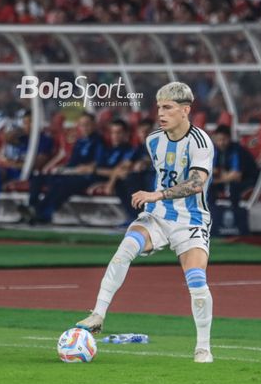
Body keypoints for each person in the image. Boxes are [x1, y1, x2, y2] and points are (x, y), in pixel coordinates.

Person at [76, 82, 215, 363]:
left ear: (185, 110)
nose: (160, 113)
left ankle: (203, 347)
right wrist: (156, 199)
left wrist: (158, 194)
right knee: (125, 248)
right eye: (158, 107)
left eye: (168, 108)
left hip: (191, 221)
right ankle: (98, 314)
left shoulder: (200, 142)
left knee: (197, 279)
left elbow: (198, 183)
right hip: (157, 216)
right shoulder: (154, 140)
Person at [27, 111, 104, 224]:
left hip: (86, 177)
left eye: (87, 124)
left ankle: (41, 213)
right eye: (82, 125)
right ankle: (32, 206)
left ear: (93, 125)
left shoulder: (98, 141)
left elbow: (99, 163)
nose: (85, 128)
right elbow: (73, 162)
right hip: (71, 173)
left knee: (62, 184)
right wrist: (63, 168)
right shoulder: (80, 141)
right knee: (38, 177)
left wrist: (84, 168)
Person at [0, 110, 52, 227]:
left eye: (30, 122)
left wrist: (13, 164)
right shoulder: (21, 138)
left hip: (30, 175)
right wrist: (18, 131)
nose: (28, 125)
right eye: (25, 122)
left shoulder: (44, 140)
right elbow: (7, 138)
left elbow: (36, 164)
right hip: (13, 171)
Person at [209, 124, 259, 234]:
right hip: (228, 180)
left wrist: (217, 179)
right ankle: (211, 219)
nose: (221, 142)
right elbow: (214, 170)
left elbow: (236, 175)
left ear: (230, 138)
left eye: (224, 139)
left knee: (233, 188)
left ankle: (235, 222)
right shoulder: (217, 150)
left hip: (248, 181)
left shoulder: (237, 151)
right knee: (209, 189)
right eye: (219, 140)